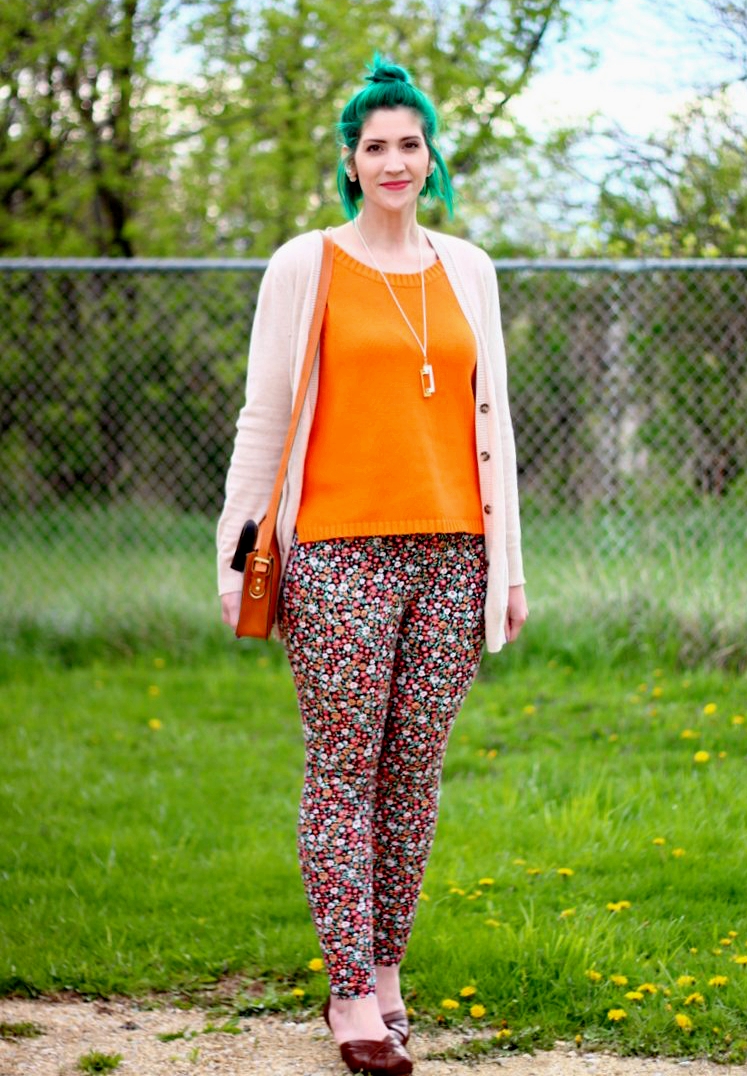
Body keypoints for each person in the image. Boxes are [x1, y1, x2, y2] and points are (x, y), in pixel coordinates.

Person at [217, 57, 528, 1076]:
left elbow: (494, 433)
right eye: (374, 146)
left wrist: (509, 569)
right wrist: (238, 556)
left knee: (414, 776)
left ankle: (388, 973)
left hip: (454, 557)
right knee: (343, 773)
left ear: (428, 156)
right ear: (350, 164)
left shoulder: (468, 268)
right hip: (337, 554)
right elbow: (264, 416)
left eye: (409, 143)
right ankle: (349, 993)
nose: (394, 160)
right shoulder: (305, 264)